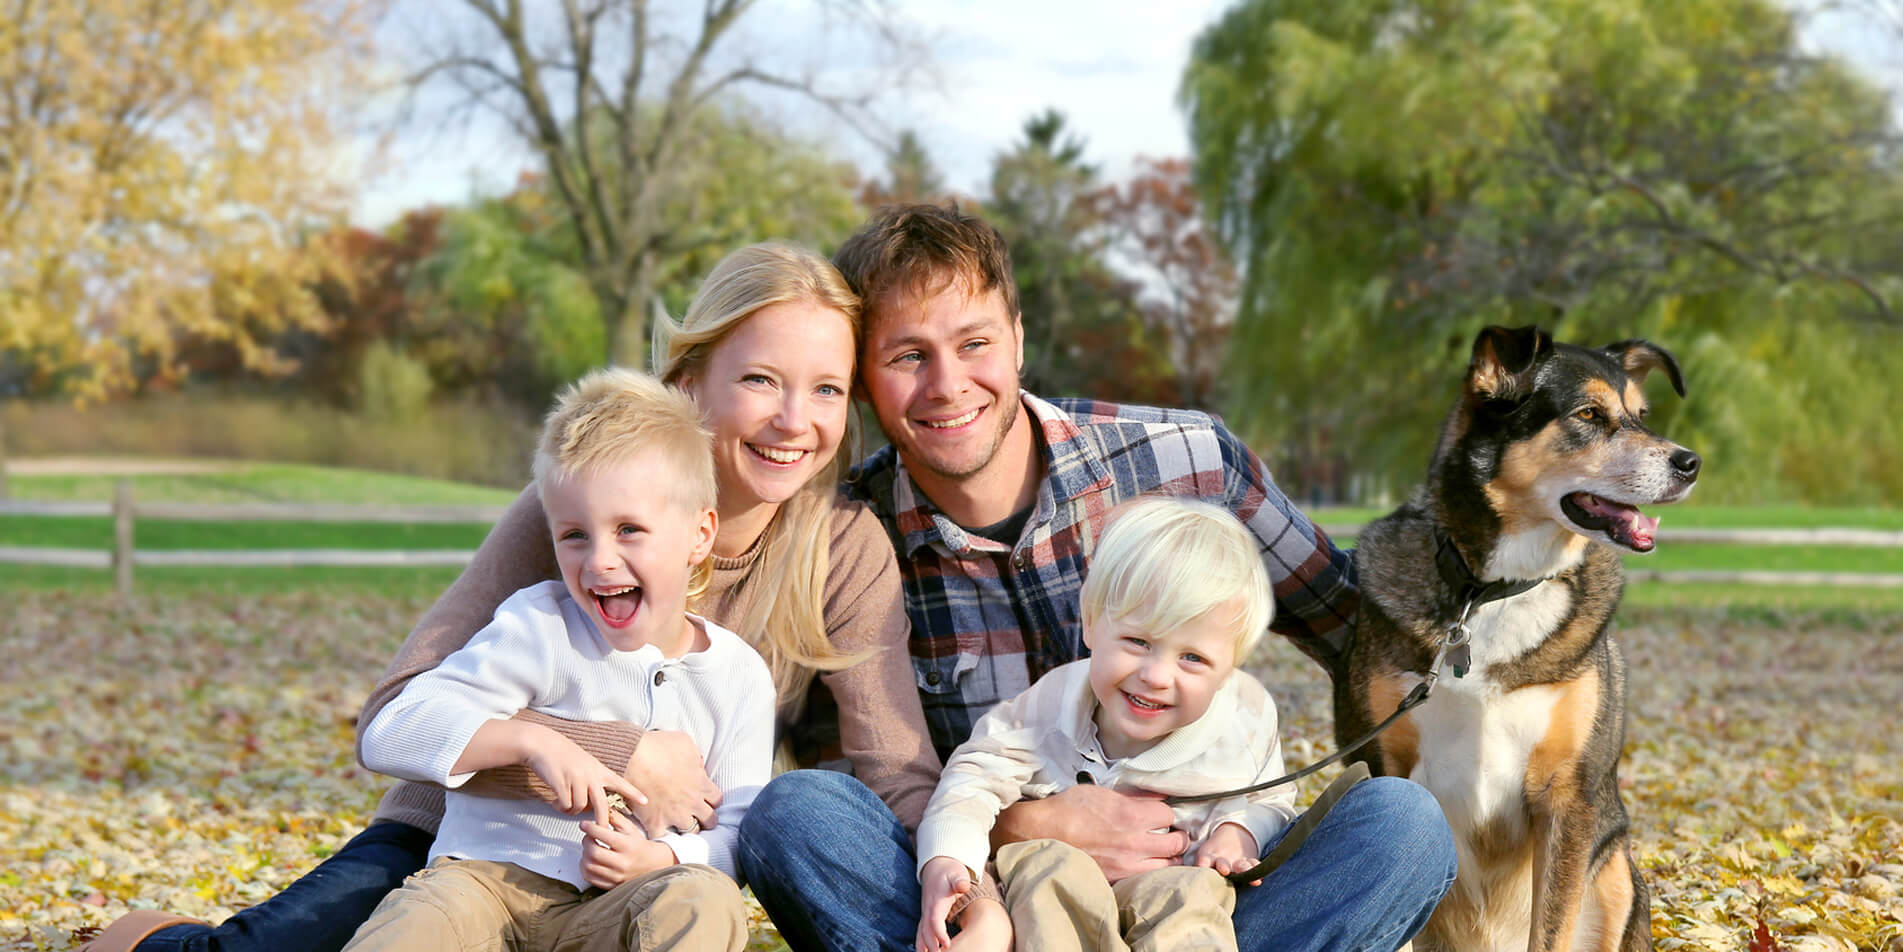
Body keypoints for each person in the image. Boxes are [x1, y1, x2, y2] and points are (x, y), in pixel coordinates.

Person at [81, 243, 939, 952]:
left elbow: (890, 769)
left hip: (624, 874)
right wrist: (618, 751)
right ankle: (147, 939)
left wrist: (955, 867)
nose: (795, 420)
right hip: (461, 837)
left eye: (825, 389)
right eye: (760, 380)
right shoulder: (577, 509)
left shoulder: (840, 546)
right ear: (689, 384)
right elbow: (396, 706)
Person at [738, 203, 1459, 952]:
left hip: (1201, 900)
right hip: (991, 909)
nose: (947, 384)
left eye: (973, 342)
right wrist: (1024, 826)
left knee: (1402, 825)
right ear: (863, 381)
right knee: (799, 813)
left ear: (1017, 340)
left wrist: (1237, 829)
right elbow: (869, 790)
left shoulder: (1188, 464)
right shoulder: (847, 542)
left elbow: (1364, 636)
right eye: (906, 356)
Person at [342, 367, 770, 952]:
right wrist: (533, 742)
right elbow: (391, 733)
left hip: (614, 911)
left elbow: (742, 828)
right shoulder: (539, 626)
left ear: (700, 535)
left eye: (629, 530)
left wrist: (663, 856)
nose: (600, 562)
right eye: (574, 535)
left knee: (703, 901)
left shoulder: (738, 675)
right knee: (416, 922)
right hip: (484, 887)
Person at [914, 498, 1299, 952]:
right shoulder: (1048, 707)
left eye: (1192, 658)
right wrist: (947, 860)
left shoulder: (1244, 721)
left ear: (1229, 666)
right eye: (1138, 641)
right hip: (1056, 896)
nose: (1156, 676)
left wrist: (1237, 832)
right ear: (1092, 622)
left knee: (1192, 898)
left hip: (1171, 881)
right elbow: (970, 779)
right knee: (1047, 869)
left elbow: (1271, 797)